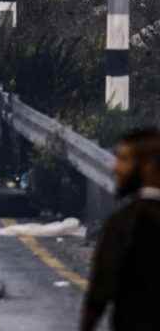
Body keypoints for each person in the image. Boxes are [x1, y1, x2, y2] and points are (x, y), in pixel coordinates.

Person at [81, 128, 160, 331]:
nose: (116, 168)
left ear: (149, 166)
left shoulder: (124, 222)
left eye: (124, 159)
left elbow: (99, 292)